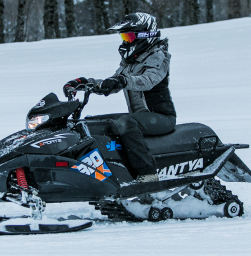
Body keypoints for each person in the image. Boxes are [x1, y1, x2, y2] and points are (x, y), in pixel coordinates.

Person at [63, 12, 176, 183]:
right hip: (140, 116)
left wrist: (122, 80)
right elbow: (112, 82)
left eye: (128, 36)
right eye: (124, 37)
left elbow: (147, 81)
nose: (125, 41)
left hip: (161, 117)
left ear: (145, 35)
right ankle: (109, 171)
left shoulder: (159, 57)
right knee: (94, 123)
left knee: (126, 123)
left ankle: (148, 174)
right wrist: (86, 83)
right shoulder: (131, 62)